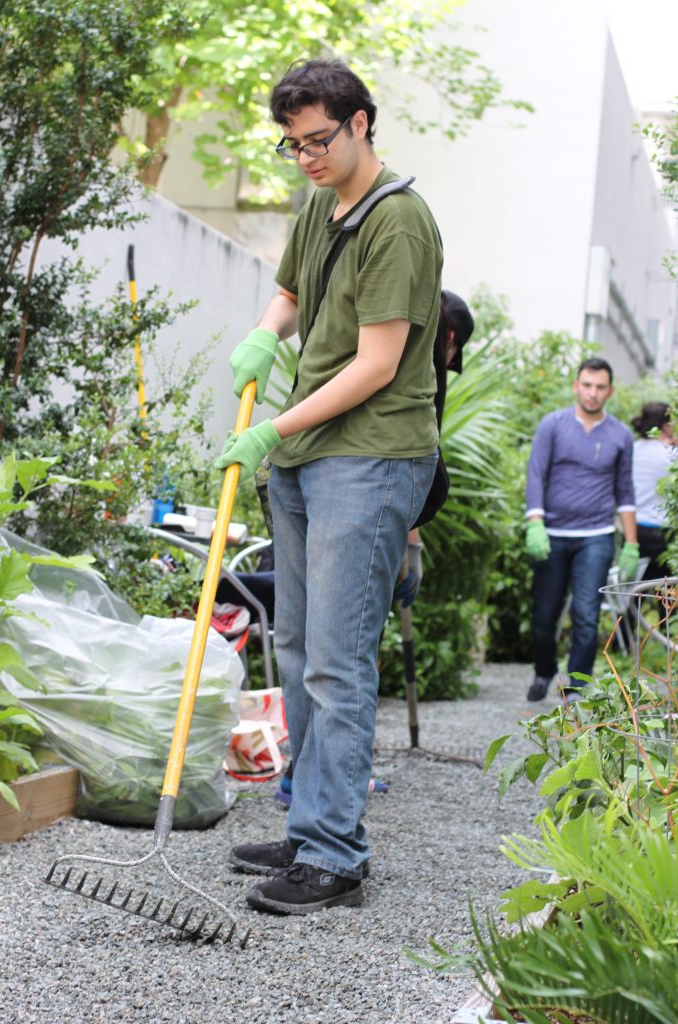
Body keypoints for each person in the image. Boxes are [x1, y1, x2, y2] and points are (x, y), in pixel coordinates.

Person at [215, 58, 443, 914]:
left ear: (359, 125)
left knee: (339, 665)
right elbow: (286, 294)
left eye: (318, 140)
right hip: (308, 454)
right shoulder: (319, 203)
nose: (305, 157)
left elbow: (378, 363)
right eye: (291, 145)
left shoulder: (401, 222)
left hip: (370, 457)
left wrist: (277, 424)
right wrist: (263, 335)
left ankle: (336, 855)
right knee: (302, 648)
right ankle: (306, 820)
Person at [525, 357, 638, 701]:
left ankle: (575, 685)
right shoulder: (553, 425)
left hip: (597, 536)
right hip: (553, 535)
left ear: (610, 391)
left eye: (600, 387)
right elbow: (536, 474)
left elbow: (625, 491)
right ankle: (544, 671)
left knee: (586, 614)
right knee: (544, 616)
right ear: (576, 386)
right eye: (586, 385)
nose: (592, 393)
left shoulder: (621, 435)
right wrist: (535, 524)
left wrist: (631, 543)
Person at [394, 290, 475, 607]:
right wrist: (412, 550)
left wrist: (412, 544)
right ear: (451, 336)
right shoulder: (420, 379)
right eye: (452, 355)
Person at [631, 401, 677, 580]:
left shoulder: (633, 449)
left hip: (635, 529)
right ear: (665, 426)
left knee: (636, 589)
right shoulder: (670, 454)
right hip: (664, 532)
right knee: (666, 592)